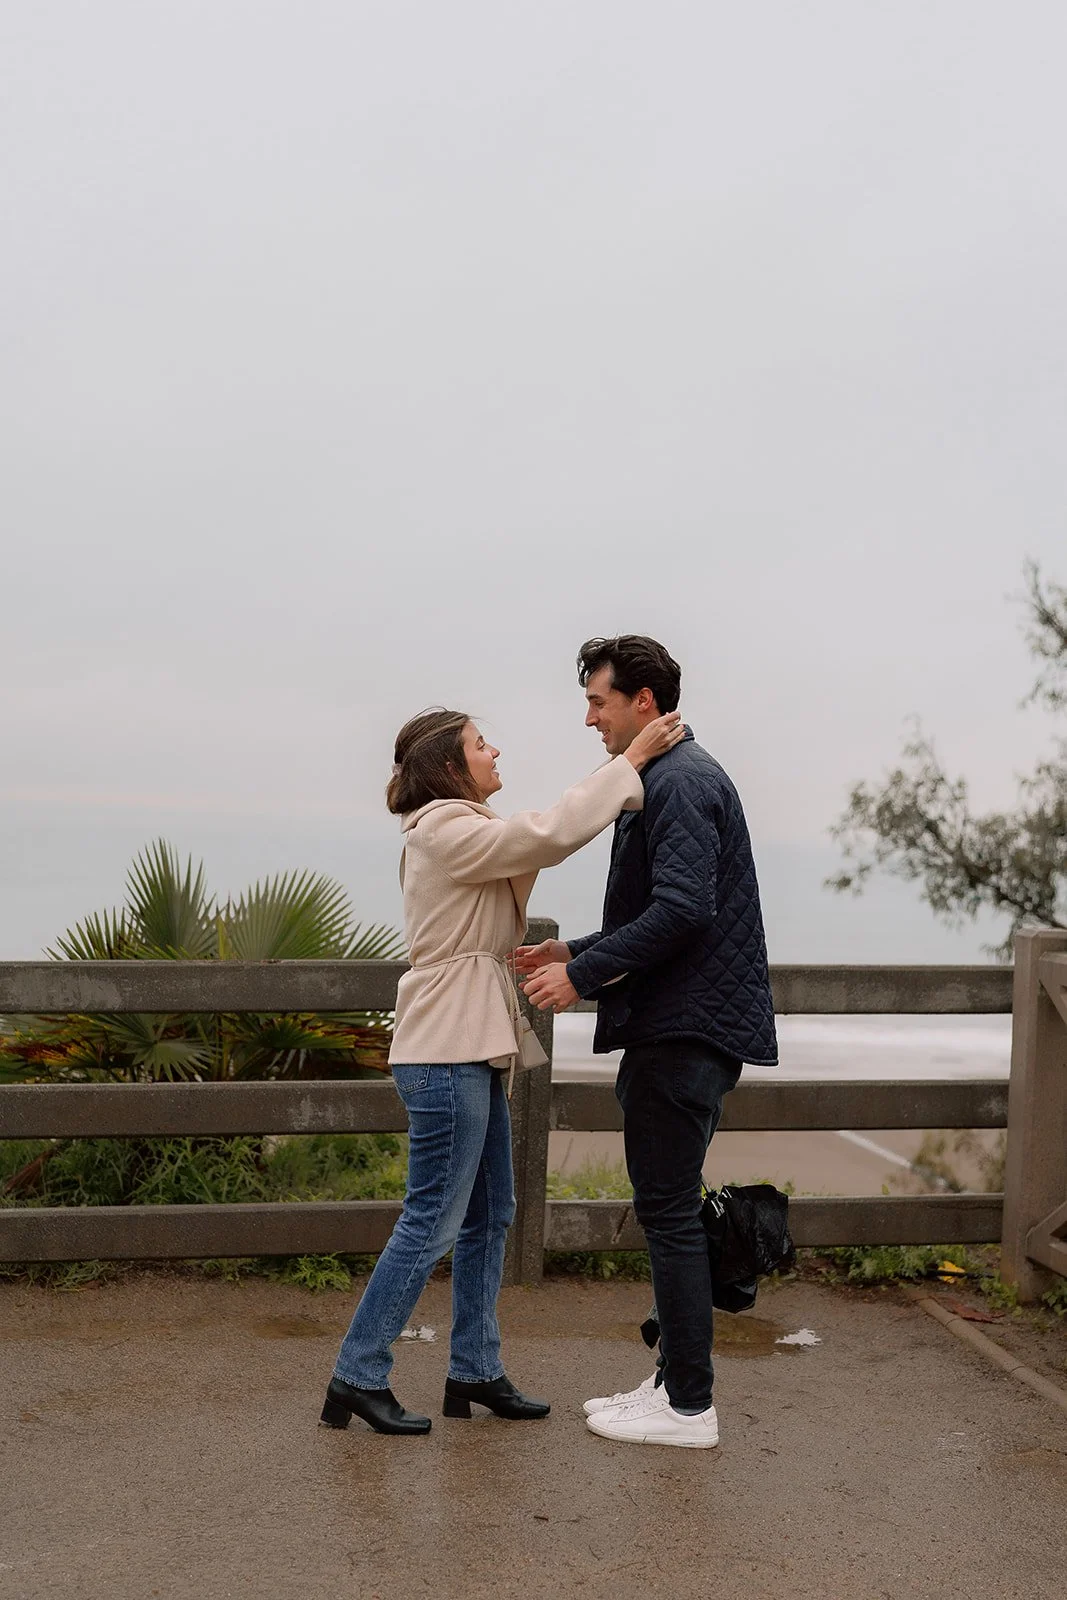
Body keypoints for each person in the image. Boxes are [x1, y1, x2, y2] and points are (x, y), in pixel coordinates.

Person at [321, 702, 685, 1436]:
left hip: (471, 1038)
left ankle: (474, 1370)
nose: (495, 752)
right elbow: (544, 833)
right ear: (450, 769)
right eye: (481, 745)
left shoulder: (465, 828)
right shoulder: (443, 828)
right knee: (433, 1219)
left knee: (491, 1214)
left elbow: (532, 836)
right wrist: (629, 762)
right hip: (447, 1045)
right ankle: (357, 1375)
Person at [518, 636, 777, 1450]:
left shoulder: (680, 782)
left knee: (666, 1212)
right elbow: (665, 912)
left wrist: (584, 976)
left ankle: (688, 1406)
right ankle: (671, 1382)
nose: (587, 715)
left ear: (642, 701)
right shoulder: (664, 776)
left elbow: (682, 914)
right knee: (670, 1208)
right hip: (684, 1022)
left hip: (685, 1027)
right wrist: (574, 949)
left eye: (597, 700)